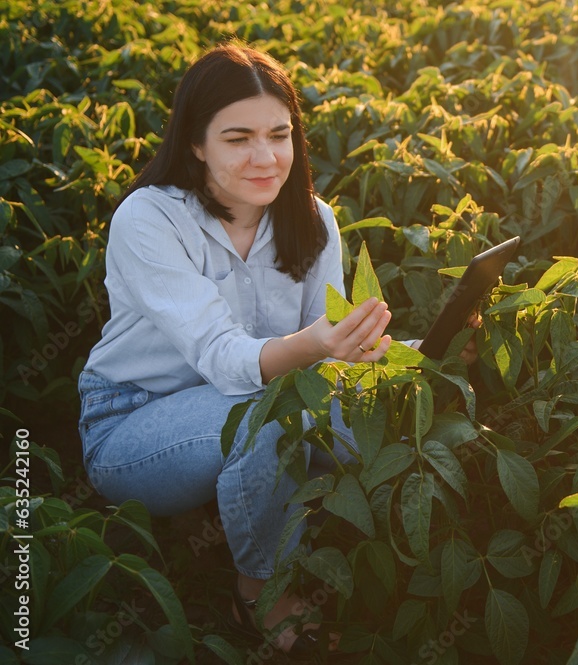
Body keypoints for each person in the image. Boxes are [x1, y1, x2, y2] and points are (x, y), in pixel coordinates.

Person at [76, 42, 476, 660]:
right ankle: (261, 590)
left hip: (257, 398)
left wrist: (428, 352)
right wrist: (318, 343)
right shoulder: (150, 219)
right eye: (237, 139)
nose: (265, 158)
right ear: (194, 143)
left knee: (379, 419)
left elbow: (332, 355)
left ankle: (293, 525)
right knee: (266, 418)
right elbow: (224, 357)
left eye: (279, 135)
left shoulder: (311, 220)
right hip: (133, 421)